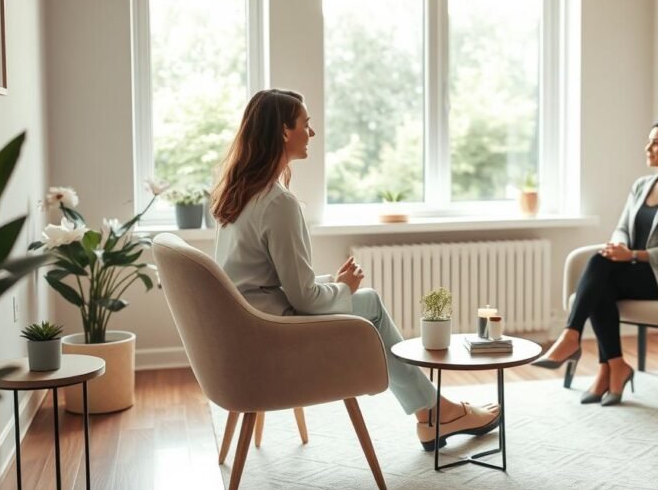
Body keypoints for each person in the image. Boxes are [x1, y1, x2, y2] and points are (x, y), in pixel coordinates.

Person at [211, 89, 499, 450]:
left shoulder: (237, 195)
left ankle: (432, 411)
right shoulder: (278, 203)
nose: (312, 133)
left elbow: (264, 282)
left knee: (364, 299)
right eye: (306, 124)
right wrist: (343, 288)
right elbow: (304, 299)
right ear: (284, 132)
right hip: (275, 335)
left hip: (250, 330)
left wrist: (334, 282)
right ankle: (435, 412)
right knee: (371, 304)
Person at [532, 122, 658, 406]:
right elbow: (622, 227)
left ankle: (574, 340)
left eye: (656, 143)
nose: (648, 148)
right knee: (602, 273)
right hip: (634, 269)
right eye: (649, 141)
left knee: (600, 272)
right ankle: (612, 367)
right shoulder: (641, 185)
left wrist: (632, 256)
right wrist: (620, 247)